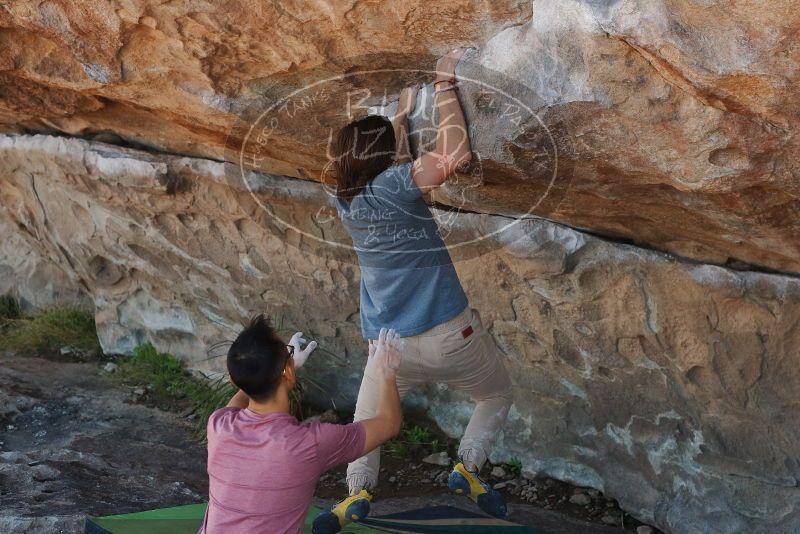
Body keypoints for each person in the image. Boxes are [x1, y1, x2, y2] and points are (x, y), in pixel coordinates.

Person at [313, 49, 514, 533]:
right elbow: (454, 156)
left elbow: (387, 168)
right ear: (387, 158)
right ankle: (467, 466)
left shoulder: (341, 197)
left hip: (388, 348)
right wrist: (444, 84)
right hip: (449, 333)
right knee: (496, 395)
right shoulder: (400, 185)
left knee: (368, 426)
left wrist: (398, 119)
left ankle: (356, 493)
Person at [199, 315, 404, 534]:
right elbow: (389, 424)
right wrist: (386, 372)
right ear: (287, 372)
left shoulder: (219, 426)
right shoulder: (308, 444)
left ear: (232, 379)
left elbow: (245, 389)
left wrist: (283, 367)